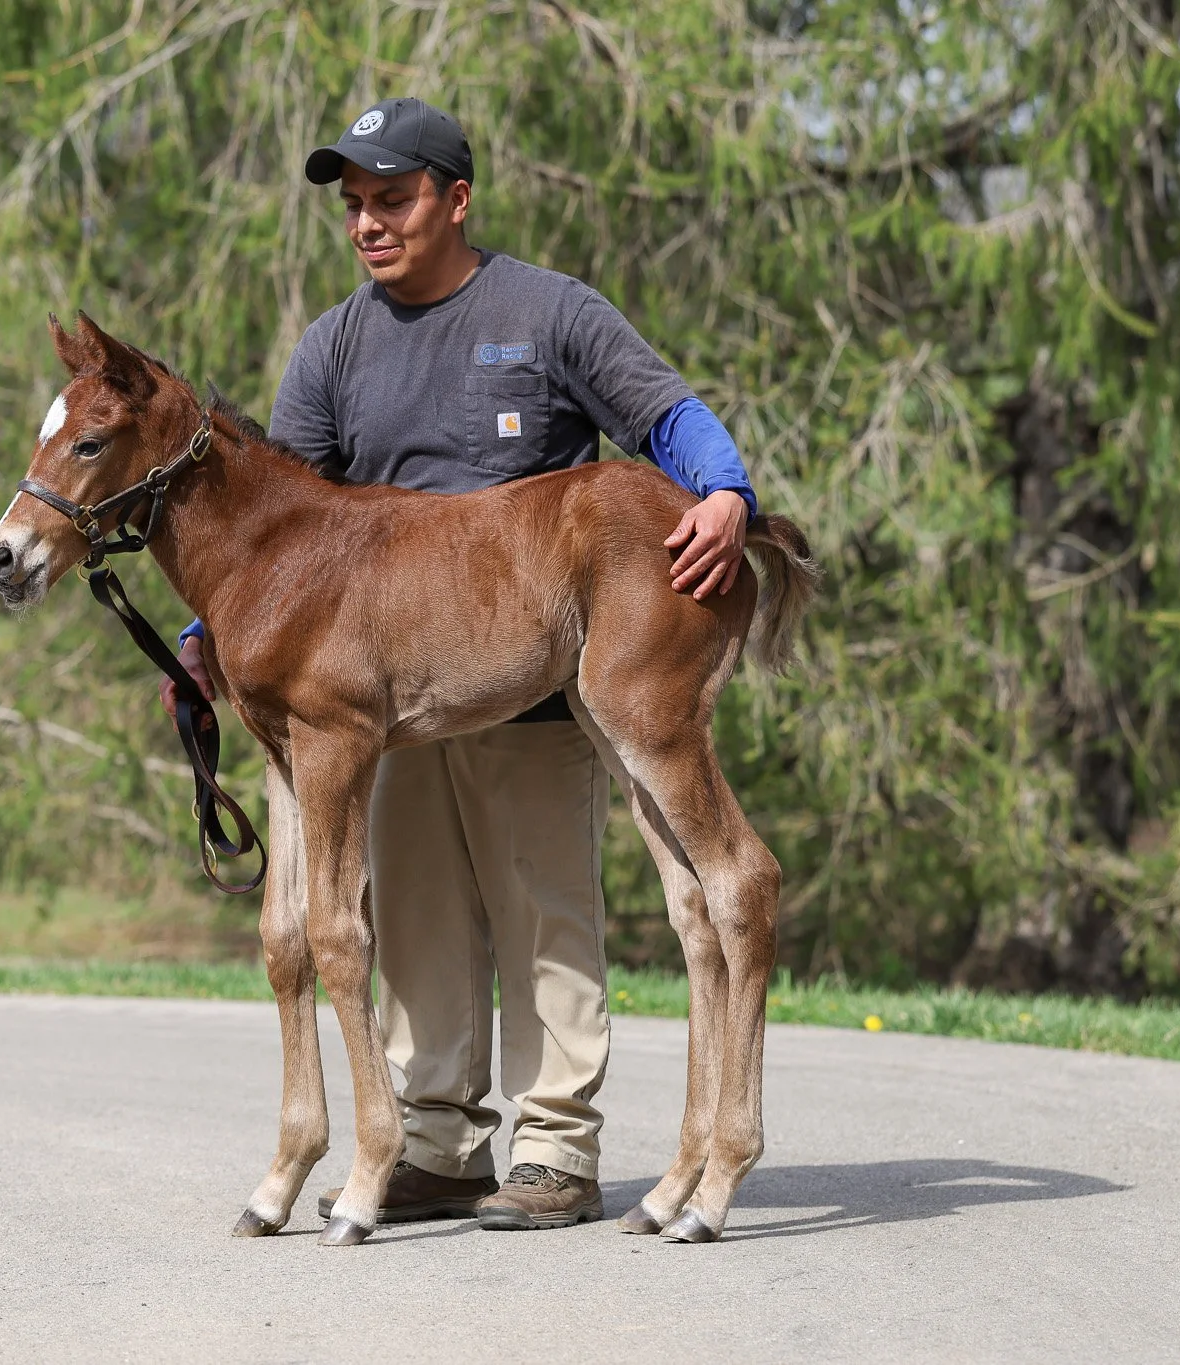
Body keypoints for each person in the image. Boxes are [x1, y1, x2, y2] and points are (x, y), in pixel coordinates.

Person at [163, 97, 759, 1231]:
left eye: (391, 198)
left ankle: (551, 1147)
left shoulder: (545, 312)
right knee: (418, 912)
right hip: (382, 682)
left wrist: (725, 488)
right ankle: (435, 1139)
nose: (367, 224)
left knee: (541, 908)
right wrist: (211, 644)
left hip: (528, 669)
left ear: (455, 199)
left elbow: (661, 412)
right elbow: (277, 529)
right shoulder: (336, 343)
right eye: (353, 205)